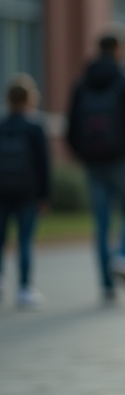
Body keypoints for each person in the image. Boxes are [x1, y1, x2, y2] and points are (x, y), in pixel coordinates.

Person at [65, 27, 125, 305]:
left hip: (93, 162)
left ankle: (106, 286)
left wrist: (84, 153)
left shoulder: (82, 81)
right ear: (119, 49)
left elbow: (71, 127)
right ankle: (123, 256)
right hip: (121, 158)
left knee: (101, 222)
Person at [0, 75, 50, 309]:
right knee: (25, 241)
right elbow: (43, 165)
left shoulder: (2, 126)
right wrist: (45, 195)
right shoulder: (34, 127)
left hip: (2, 193)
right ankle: (24, 288)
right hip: (27, 194)